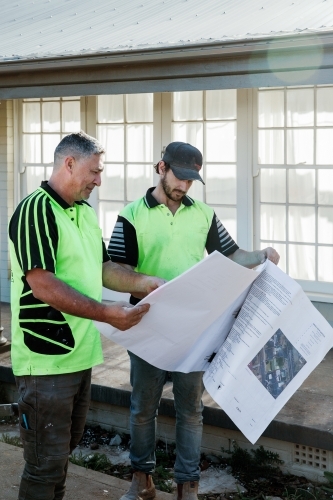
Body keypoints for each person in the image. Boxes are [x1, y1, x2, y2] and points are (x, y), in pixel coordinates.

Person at [108, 141, 280, 500]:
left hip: (194, 330)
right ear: (161, 168)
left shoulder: (203, 214)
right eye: (179, 177)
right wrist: (145, 282)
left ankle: (188, 488)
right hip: (148, 327)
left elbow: (231, 255)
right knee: (142, 410)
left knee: (191, 412)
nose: (184, 186)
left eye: (191, 180)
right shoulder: (131, 214)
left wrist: (261, 255)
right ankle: (142, 483)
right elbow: (113, 272)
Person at [8, 131, 164, 500]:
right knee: (45, 463)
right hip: (45, 361)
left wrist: (145, 282)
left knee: (61, 454)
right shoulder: (36, 210)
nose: (98, 179)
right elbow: (42, 283)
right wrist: (108, 313)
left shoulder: (83, 212)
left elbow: (104, 266)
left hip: (78, 355)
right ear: (69, 163)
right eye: (94, 171)